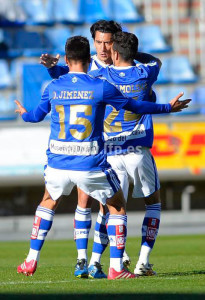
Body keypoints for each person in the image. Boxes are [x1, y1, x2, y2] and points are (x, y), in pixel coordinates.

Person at [15, 36, 189, 280]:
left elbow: (34, 116)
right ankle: (116, 267)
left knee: (47, 202)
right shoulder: (100, 86)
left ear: (66, 60)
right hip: (89, 162)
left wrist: (23, 114)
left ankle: (30, 260)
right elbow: (135, 106)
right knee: (116, 206)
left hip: (57, 162)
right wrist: (167, 108)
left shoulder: (53, 87)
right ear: (89, 60)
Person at [89, 31, 164, 276]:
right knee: (152, 202)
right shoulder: (145, 73)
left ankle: (101, 261)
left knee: (111, 208)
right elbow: (156, 61)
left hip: (110, 152)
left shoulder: (101, 76)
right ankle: (143, 261)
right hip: (138, 150)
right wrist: (133, 54)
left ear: (115, 52)